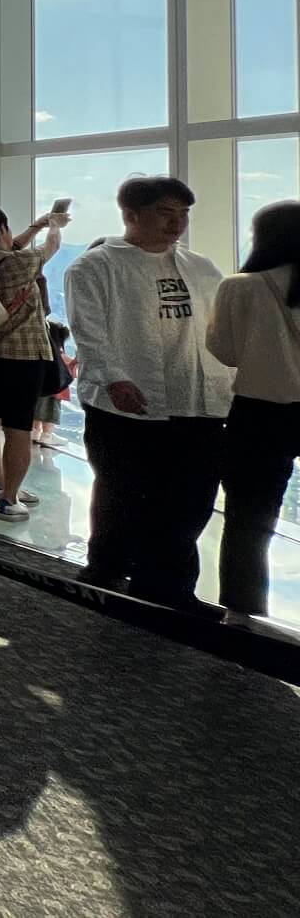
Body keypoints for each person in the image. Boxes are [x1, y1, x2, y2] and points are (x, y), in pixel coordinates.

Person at [63, 175, 232, 613]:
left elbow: (218, 330)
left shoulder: (201, 268)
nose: (177, 223)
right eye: (165, 213)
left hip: (196, 401)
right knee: (121, 491)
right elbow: (89, 331)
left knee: (190, 498)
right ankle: (105, 568)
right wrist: (112, 378)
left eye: (183, 214)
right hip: (124, 405)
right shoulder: (95, 266)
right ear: (131, 215)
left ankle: (168, 586)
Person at [208, 200, 300, 625]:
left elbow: (224, 351)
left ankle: (243, 613)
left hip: (261, 413)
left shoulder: (240, 287)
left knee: (249, 515)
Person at [0, 202, 68, 523]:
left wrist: (37, 224)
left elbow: (6, 247)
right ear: (2, 229)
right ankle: (9, 498)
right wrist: (54, 226)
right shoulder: (24, 262)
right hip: (22, 356)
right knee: (18, 428)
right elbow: (51, 247)